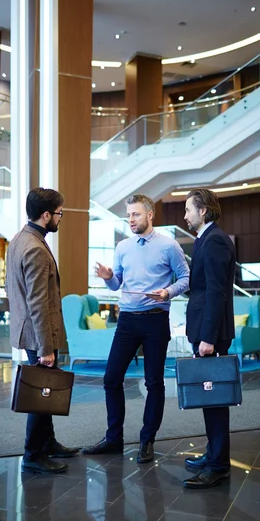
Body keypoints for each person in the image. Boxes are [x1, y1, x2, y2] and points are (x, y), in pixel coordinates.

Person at [82, 194, 190, 463]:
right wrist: (109, 278)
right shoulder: (122, 247)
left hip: (155, 320)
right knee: (111, 378)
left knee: (154, 382)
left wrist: (167, 292)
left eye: (136, 214)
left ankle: (147, 440)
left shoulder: (169, 246)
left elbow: (187, 278)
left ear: (150, 215)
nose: (130, 219)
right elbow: (117, 284)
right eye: (128, 215)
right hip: (128, 320)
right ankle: (113, 439)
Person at [6, 187, 80, 474]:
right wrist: (46, 348)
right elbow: (37, 301)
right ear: (46, 215)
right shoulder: (35, 248)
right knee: (41, 393)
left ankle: (47, 442)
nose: (60, 219)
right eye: (59, 213)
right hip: (40, 333)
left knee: (45, 390)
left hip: (30, 329)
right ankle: (33, 454)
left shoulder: (20, 239)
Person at [182, 188, 236, 489]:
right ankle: (214, 454)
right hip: (205, 331)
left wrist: (208, 338)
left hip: (209, 336)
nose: (185, 215)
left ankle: (218, 465)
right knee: (209, 397)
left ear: (203, 210)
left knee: (214, 399)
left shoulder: (214, 240)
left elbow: (216, 292)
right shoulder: (206, 238)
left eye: (189, 209)